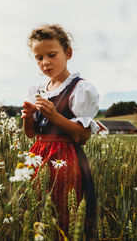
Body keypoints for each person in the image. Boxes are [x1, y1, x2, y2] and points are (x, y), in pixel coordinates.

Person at [21, 24, 100, 239]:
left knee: (65, 212)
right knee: (38, 210)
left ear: (68, 53)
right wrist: (28, 118)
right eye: (39, 58)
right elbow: (31, 134)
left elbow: (82, 136)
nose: (45, 62)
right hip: (38, 156)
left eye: (52, 55)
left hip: (66, 161)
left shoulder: (79, 88)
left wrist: (55, 116)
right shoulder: (37, 91)